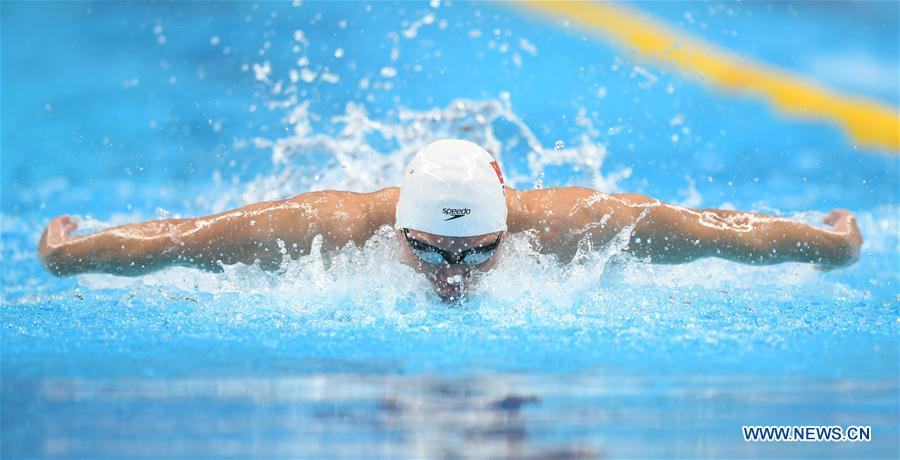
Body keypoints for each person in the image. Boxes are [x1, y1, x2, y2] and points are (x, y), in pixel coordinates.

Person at [38, 139, 862, 301]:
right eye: (428, 248)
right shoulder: (323, 226)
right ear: (393, 227)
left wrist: (827, 245)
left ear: (512, 224)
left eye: (477, 252)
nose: (452, 275)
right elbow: (183, 238)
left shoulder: (577, 222)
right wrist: (72, 257)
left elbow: (716, 229)